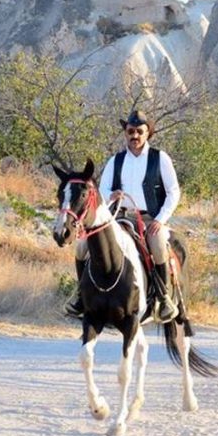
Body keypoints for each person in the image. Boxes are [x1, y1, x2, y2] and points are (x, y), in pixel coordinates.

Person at [65, 110, 181, 322]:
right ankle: (82, 295)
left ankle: (163, 299)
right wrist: (111, 195)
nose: (134, 136)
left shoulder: (160, 158)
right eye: (130, 131)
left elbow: (174, 192)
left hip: (149, 219)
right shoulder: (115, 161)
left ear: (148, 133)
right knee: (82, 246)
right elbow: (102, 192)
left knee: (156, 243)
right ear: (125, 133)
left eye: (139, 131)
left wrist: (160, 220)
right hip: (118, 217)